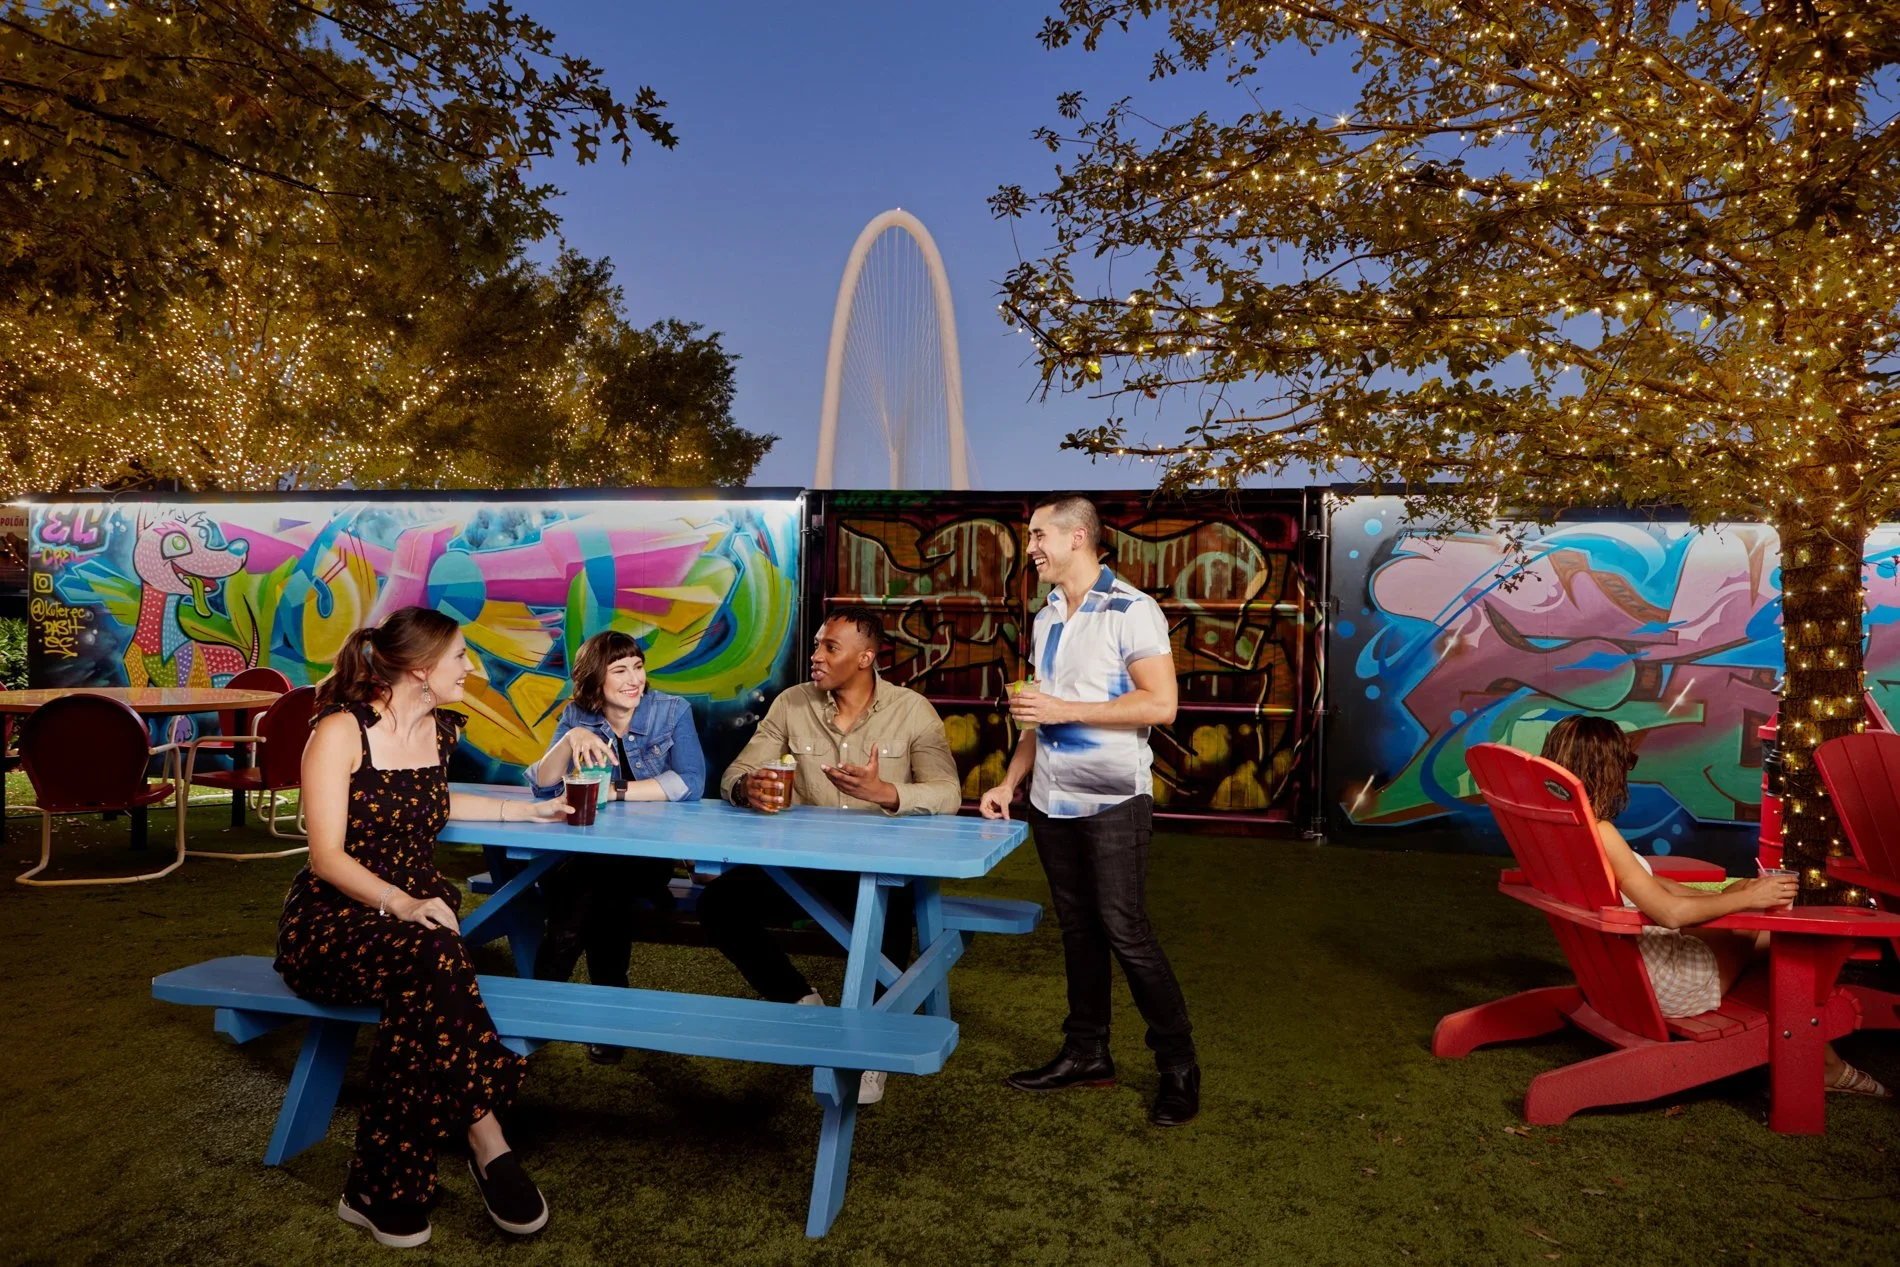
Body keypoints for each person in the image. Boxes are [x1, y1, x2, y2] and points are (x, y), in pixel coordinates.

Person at [276, 605, 570, 1249]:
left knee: (426, 977)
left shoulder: (437, 730)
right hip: (334, 923)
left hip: (417, 927)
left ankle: (380, 1189)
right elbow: (325, 857)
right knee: (436, 947)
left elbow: (432, 797)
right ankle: (486, 1134)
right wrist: (400, 904)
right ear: (418, 667)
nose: (475, 668)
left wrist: (525, 814)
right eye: (463, 656)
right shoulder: (339, 732)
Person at [979, 494, 1201, 1127]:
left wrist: (1063, 711)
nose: (1031, 548)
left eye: (1038, 535)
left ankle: (1178, 1067)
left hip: (1112, 801)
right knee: (1078, 931)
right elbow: (1037, 715)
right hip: (1051, 800)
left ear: (1078, 537)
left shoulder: (1133, 609)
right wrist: (1011, 781)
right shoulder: (1047, 614)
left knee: (1125, 931)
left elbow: (1161, 706)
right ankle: (1086, 1054)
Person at [1540, 714, 1888, 1097]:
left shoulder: (1559, 826)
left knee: (1760, 930)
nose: (1627, 771)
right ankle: (1825, 1056)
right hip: (1663, 985)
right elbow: (1669, 913)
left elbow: (1648, 884)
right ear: (1604, 768)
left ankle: (1827, 1057)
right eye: (1626, 762)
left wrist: (1727, 897)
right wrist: (1747, 900)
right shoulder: (1601, 832)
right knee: (1778, 940)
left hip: (1616, 973)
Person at [701, 606, 960, 1105]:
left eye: (829, 648)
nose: (815, 656)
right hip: (800, 868)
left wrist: (887, 792)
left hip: (881, 869)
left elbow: (947, 793)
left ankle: (869, 1048)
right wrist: (745, 789)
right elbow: (735, 773)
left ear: (865, 658)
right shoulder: (792, 704)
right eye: (817, 645)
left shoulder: (912, 710)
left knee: (888, 918)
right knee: (718, 906)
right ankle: (803, 1003)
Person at [525, 630, 706, 1064]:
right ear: (595, 681)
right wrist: (569, 741)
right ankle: (608, 1016)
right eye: (620, 670)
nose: (634, 679)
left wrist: (615, 793)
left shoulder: (672, 711)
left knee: (586, 886)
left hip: (649, 855)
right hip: (591, 854)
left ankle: (538, 1005)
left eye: (638, 667)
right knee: (598, 891)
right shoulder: (577, 716)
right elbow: (538, 784)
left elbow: (691, 783)